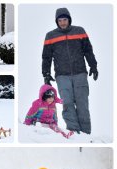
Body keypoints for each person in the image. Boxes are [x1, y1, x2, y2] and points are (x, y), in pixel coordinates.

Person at [42, 7, 98, 135]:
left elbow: (88, 50)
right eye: (60, 20)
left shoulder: (79, 31)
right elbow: (46, 57)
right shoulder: (51, 36)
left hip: (80, 74)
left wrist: (93, 66)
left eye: (65, 19)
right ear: (57, 21)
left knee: (82, 104)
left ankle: (85, 134)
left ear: (69, 19)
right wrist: (46, 73)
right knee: (67, 103)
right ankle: (74, 132)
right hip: (62, 76)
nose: (62, 22)